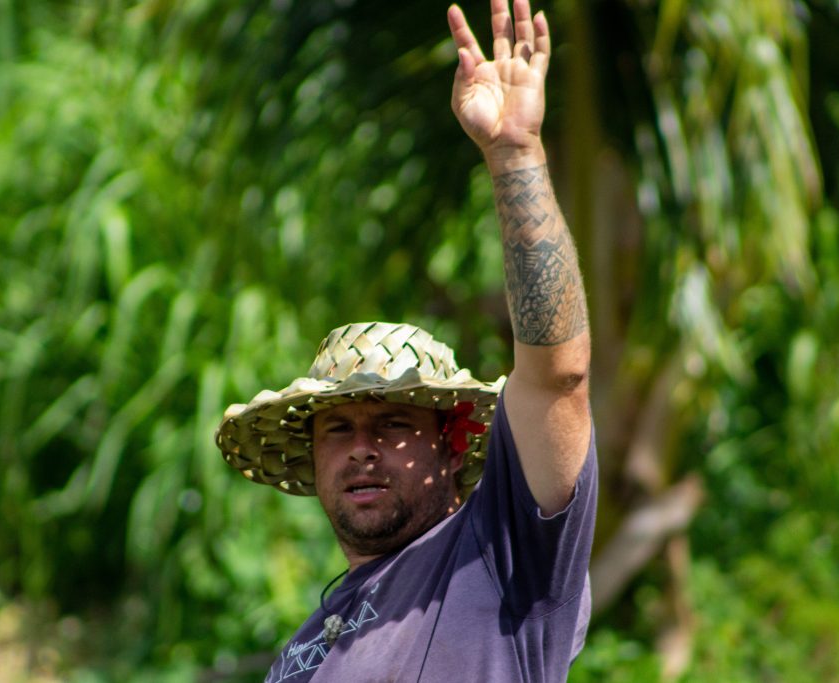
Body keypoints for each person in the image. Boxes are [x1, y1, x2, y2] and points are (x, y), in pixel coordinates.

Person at [214, 0, 596, 680]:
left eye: (392, 422)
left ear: (452, 442)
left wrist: (514, 154)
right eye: (338, 429)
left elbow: (558, 373)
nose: (361, 448)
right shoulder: (302, 652)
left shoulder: (499, 557)